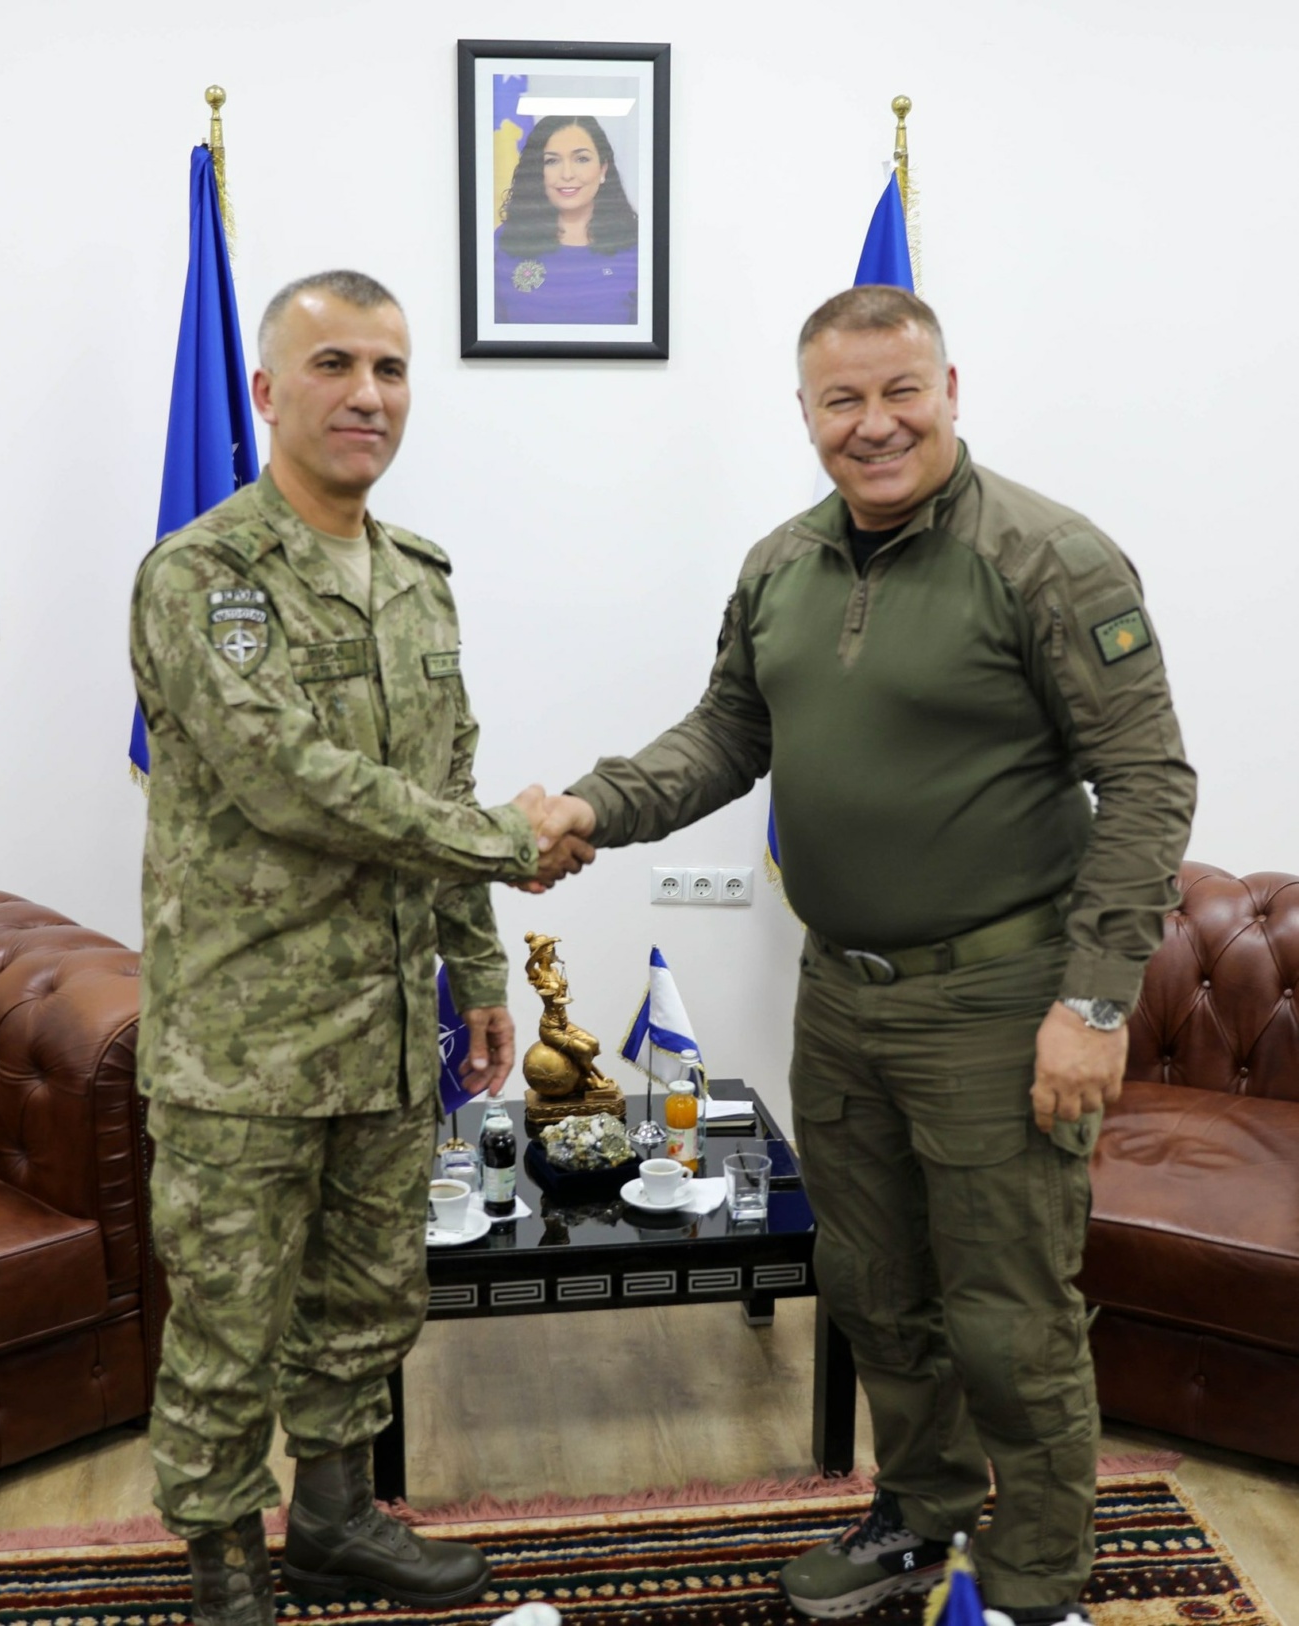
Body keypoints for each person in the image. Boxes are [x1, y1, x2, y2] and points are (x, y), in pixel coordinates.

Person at [536, 285, 1195, 1623]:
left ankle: (1034, 1585)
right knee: (872, 1287)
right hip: (838, 994)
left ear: (950, 389)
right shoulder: (780, 565)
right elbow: (725, 735)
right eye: (842, 399)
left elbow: (1146, 782)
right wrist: (593, 806)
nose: (875, 423)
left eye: (901, 391)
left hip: (999, 1003)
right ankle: (918, 1509)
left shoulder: (1049, 558)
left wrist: (1093, 1001)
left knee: (1008, 1312)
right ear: (805, 412)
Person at [129, 268, 591, 1626]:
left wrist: (480, 969)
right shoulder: (204, 574)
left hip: (386, 1028)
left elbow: (442, 785)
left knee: (366, 1298)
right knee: (227, 1321)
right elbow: (293, 783)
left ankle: (333, 1519)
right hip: (243, 1044)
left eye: (389, 368)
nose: (367, 395)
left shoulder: (416, 580)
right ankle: (224, 1561)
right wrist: (506, 841)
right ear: (267, 391)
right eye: (333, 365)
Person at [493, 114, 639, 325]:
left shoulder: (638, 246)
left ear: (603, 169)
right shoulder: (503, 242)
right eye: (552, 161)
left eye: (581, 159)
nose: (567, 174)